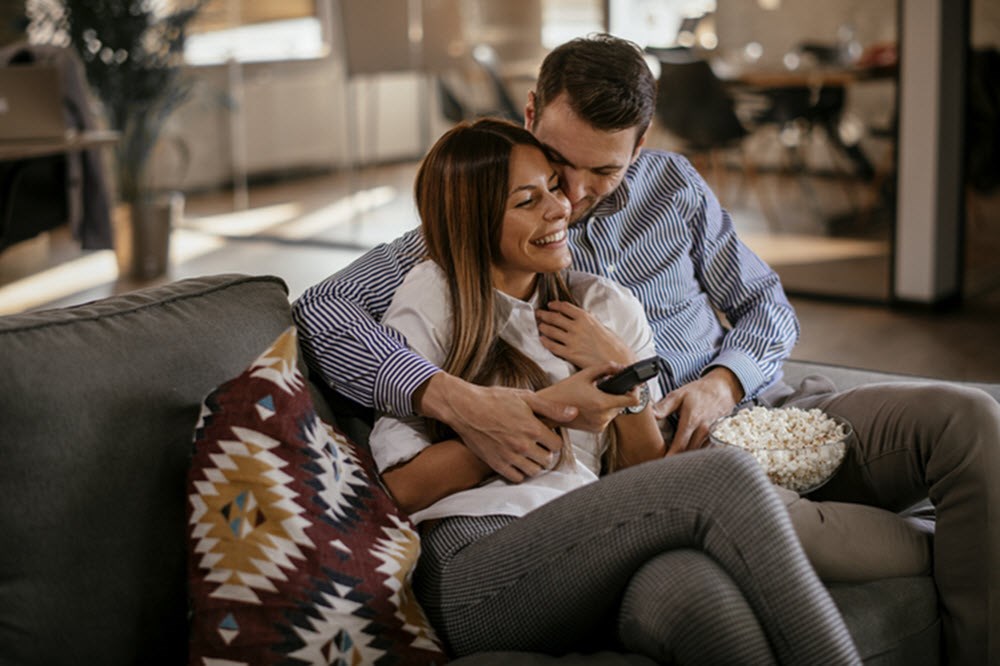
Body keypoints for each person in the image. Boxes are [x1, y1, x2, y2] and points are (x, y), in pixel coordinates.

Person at [294, 34, 1000, 664]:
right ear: (533, 115)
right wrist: (460, 400)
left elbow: (767, 307)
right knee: (708, 556)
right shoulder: (465, 240)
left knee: (970, 419)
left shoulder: (673, 194)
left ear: (642, 142)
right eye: (556, 168)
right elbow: (320, 309)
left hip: (748, 417)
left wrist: (724, 380)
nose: (569, 197)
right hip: (648, 478)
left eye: (601, 172)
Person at [367, 116, 859, 663]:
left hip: (585, 539)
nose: (560, 209)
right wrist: (547, 412)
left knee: (693, 592)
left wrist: (626, 379)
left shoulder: (605, 306)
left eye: (553, 188)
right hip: (472, 562)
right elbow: (404, 489)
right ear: (475, 222)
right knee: (727, 474)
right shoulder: (434, 298)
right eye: (527, 201)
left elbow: (640, 472)